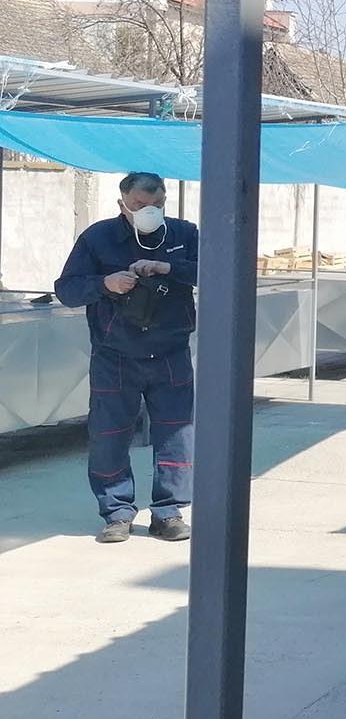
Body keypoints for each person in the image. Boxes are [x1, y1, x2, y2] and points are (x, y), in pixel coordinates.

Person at [55, 172, 199, 544]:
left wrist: (169, 268)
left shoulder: (184, 234)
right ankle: (117, 513)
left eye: (157, 204)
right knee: (109, 435)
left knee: (176, 433)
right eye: (139, 204)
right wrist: (105, 284)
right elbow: (67, 289)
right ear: (123, 204)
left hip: (170, 352)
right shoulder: (98, 238)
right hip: (115, 355)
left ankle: (168, 512)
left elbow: (216, 273)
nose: (149, 210)